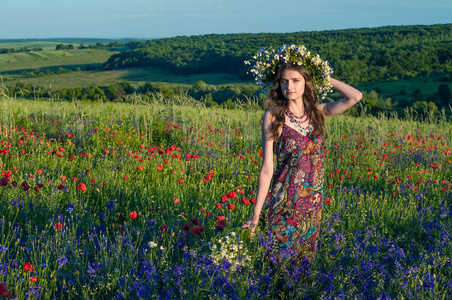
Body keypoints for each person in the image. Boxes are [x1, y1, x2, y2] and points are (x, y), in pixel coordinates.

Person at [241, 45, 362, 264]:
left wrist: (322, 74)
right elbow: (267, 168)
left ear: (306, 82)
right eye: (284, 81)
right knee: (278, 266)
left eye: (296, 80)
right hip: (284, 202)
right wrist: (256, 214)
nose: (289, 86)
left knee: (304, 266)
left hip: (313, 204)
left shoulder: (318, 112)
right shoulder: (273, 116)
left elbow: (355, 96)